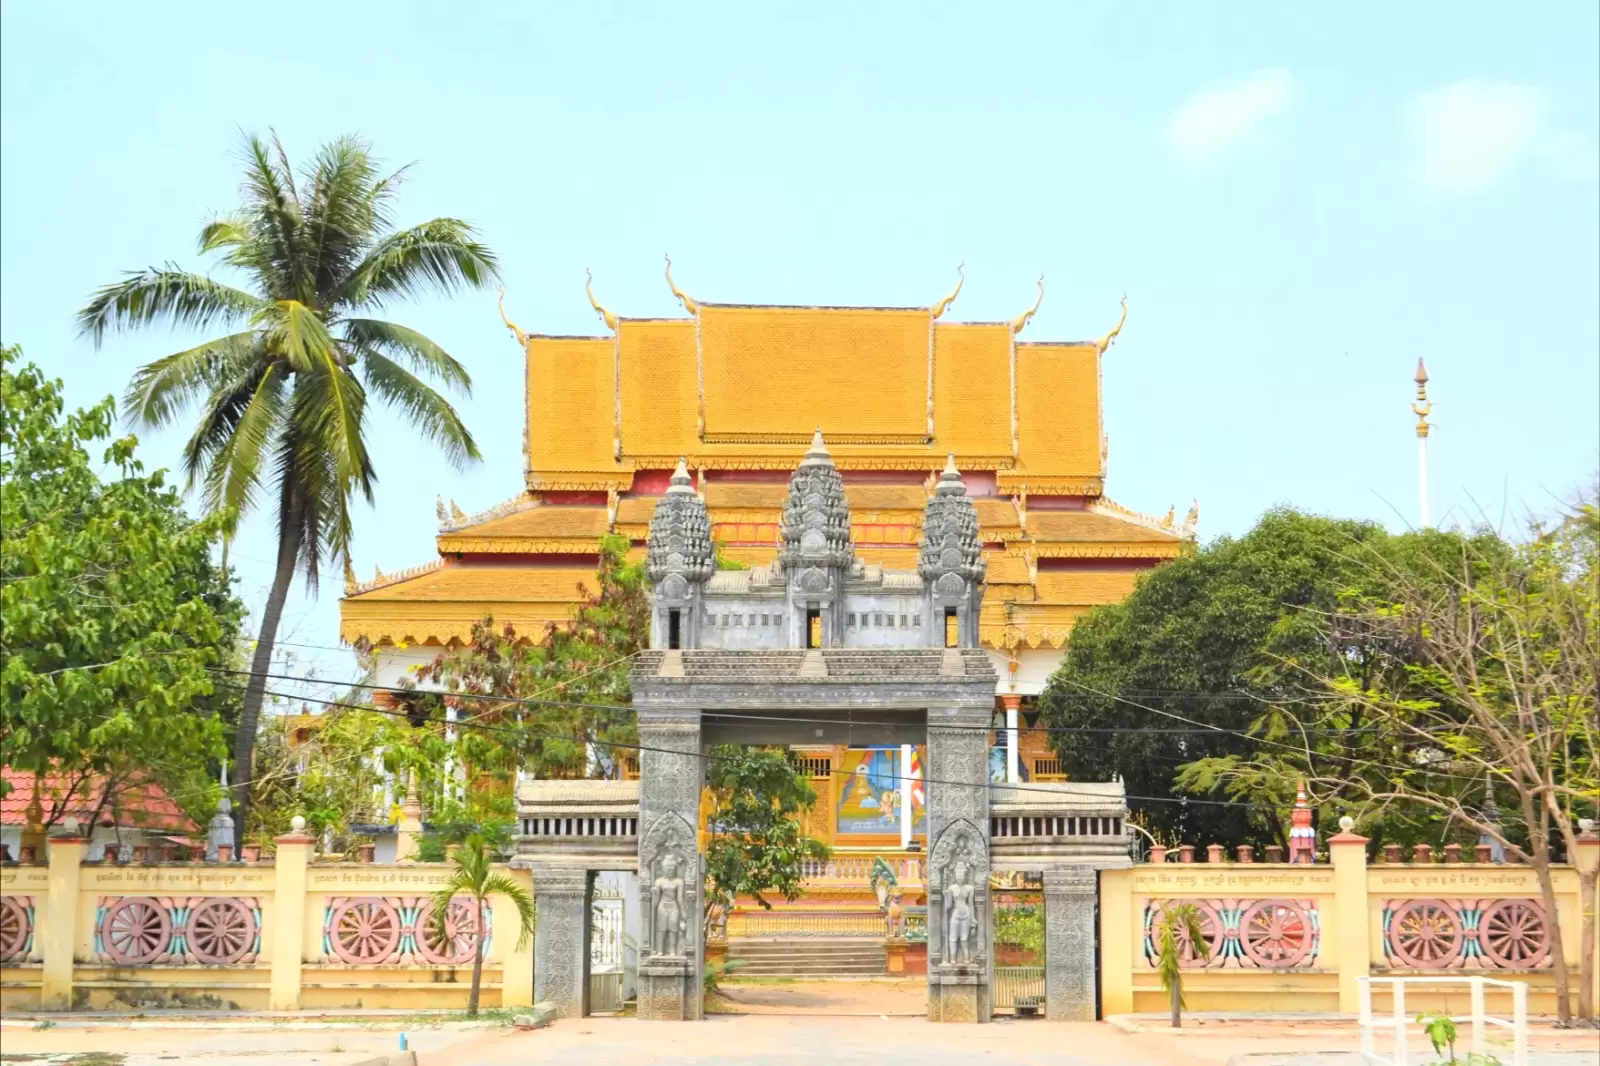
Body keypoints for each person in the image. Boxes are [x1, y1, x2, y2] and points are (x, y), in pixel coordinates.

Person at [652, 854, 687, 956]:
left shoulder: (679, 881)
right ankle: (660, 950)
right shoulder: (659, 881)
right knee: (662, 929)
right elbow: (656, 900)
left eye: (672, 869)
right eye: (668, 869)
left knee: (673, 929)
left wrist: (683, 912)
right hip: (662, 906)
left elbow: (680, 899)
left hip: (674, 906)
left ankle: (672, 950)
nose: (670, 871)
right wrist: (654, 893)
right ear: (663, 869)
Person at [944, 860, 977, 965]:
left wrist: (973, 919)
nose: (960, 876)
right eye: (958, 874)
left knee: (964, 938)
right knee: (952, 937)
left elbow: (971, 904)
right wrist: (946, 895)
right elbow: (948, 906)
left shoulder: (969, 888)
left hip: (966, 913)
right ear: (954, 875)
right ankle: (952, 959)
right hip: (956, 912)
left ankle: (966, 959)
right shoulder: (951, 888)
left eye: (961, 874)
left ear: (965, 875)